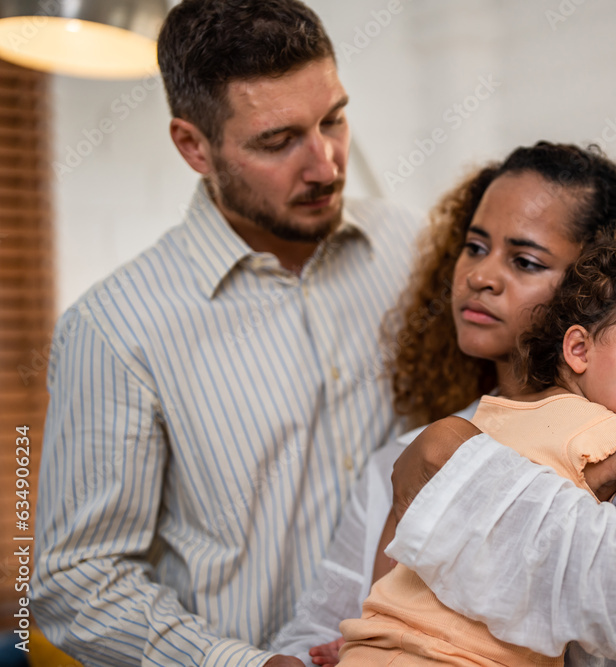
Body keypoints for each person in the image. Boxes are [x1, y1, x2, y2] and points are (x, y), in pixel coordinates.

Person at [33, 2, 421, 665]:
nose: (325, 165)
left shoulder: (410, 247)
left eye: (333, 119)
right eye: (278, 141)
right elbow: (77, 579)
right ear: (193, 146)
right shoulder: (114, 330)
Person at [269, 142, 616, 667]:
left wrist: (455, 464)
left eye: (524, 261)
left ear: (595, 293)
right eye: (475, 247)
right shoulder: (407, 452)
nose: (480, 276)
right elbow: (324, 631)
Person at [334, 229, 616, 665]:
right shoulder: (611, 436)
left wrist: (367, 628)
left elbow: (404, 528)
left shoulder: (487, 420)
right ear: (579, 350)